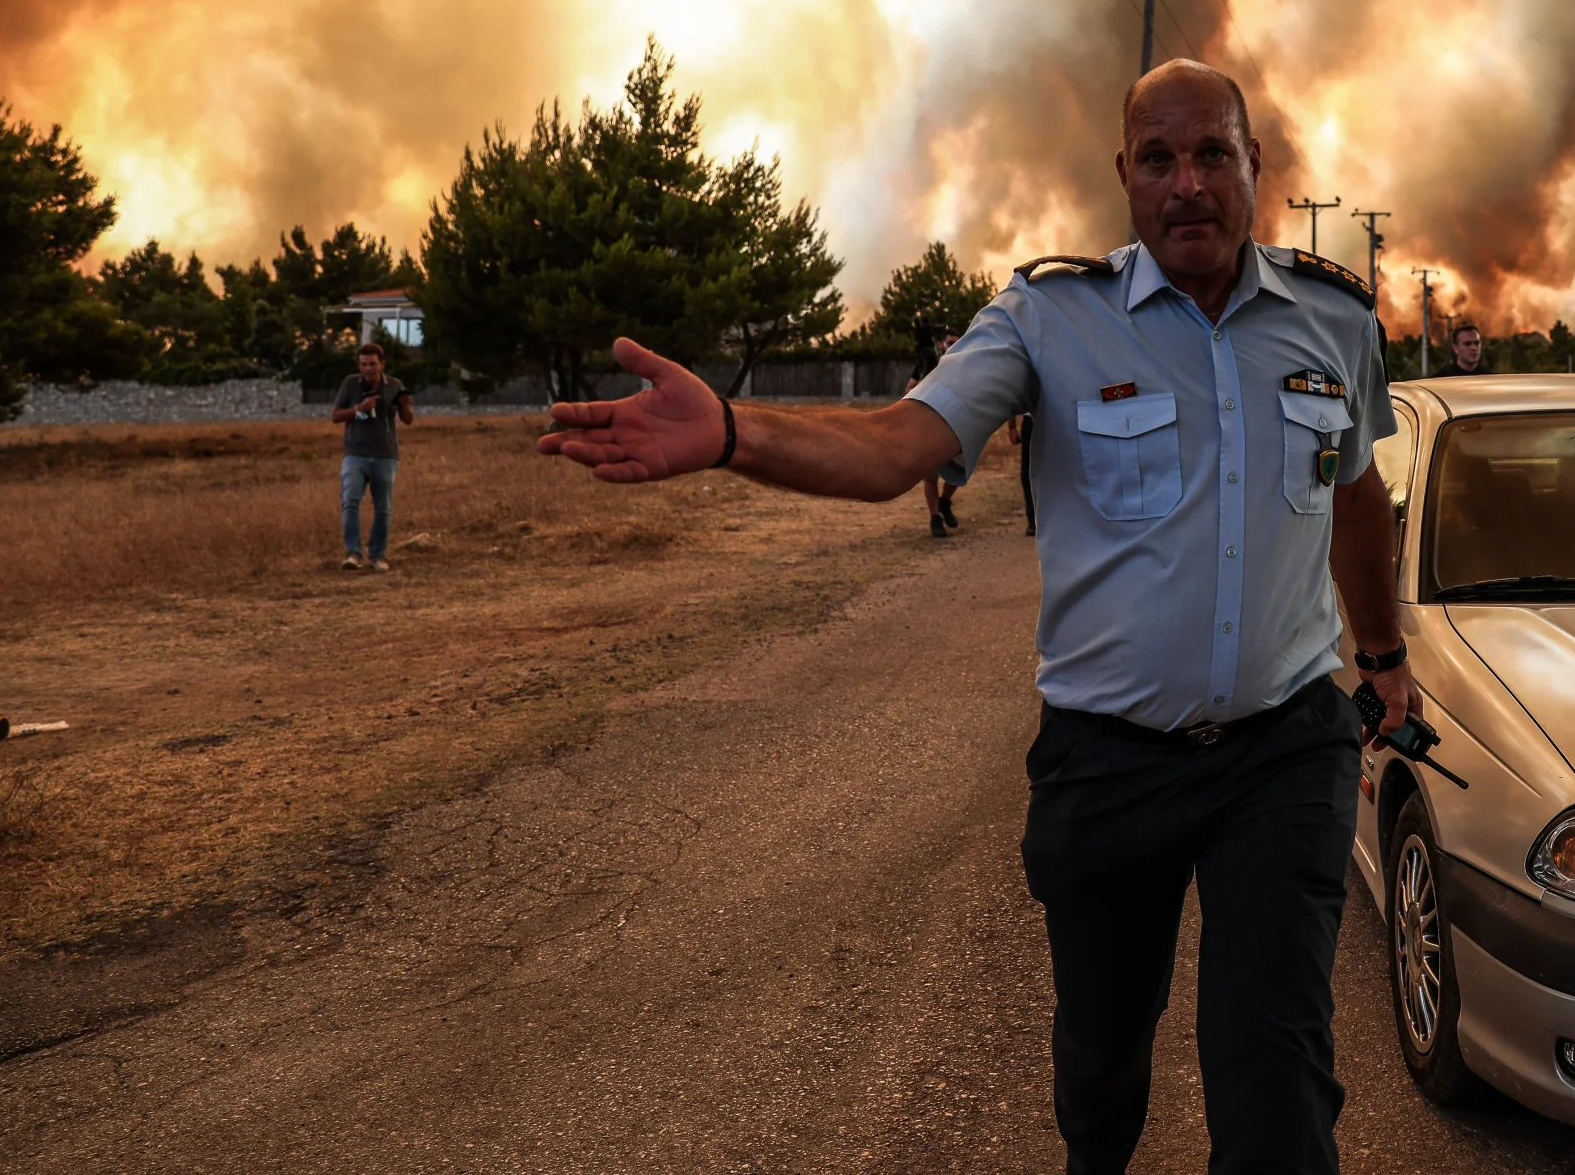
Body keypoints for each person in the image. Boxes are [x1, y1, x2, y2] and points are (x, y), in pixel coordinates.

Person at [537, 59, 1411, 1175]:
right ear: (1124, 177)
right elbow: (894, 448)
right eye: (1158, 158)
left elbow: (1355, 494)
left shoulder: (1333, 319)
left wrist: (1380, 655)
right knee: (1101, 1063)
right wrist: (729, 434)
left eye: (1210, 155)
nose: (1186, 182)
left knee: (1274, 1076)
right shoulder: (1050, 317)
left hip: (1283, 753)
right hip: (1110, 762)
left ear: (1255, 167)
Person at [330, 340, 414, 572]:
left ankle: (378, 555)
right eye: (364, 364)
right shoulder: (350, 384)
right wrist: (359, 409)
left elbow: (407, 420)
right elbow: (336, 416)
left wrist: (405, 406)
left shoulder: (395, 385)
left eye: (372, 364)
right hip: (355, 455)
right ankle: (353, 553)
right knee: (350, 502)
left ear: (382, 364)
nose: (368, 369)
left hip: (385, 456)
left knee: (383, 508)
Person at [906, 325, 963, 537]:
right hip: (929, 424)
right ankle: (935, 518)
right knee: (930, 476)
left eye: (957, 343)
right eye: (950, 343)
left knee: (959, 470)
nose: (953, 347)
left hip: (955, 423)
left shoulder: (963, 366)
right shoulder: (928, 362)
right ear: (941, 344)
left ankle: (945, 501)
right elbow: (910, 389)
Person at [1010, 409, 1037, 535]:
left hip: (1054, 420)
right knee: (1028, 472)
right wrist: (1012, 426)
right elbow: (1014, 393)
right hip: (1030, 421)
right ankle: (1033, 519)